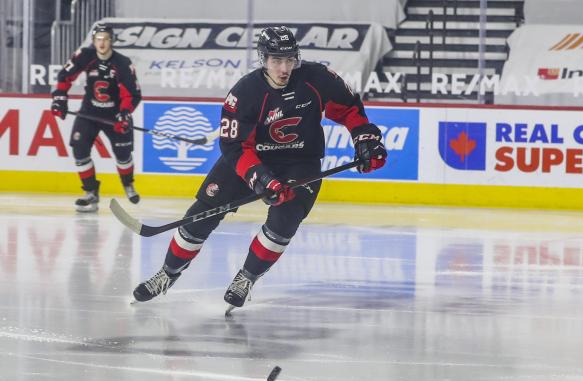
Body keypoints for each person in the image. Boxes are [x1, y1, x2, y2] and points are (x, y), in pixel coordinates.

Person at [132, 26, 387, 311]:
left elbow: (351, 108)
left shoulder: (317, 78)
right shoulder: (244, 93)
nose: (284, 68)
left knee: (285, 222)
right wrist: (260, 179)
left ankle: (246, 277)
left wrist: (365, 138)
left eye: (290, 59)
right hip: (251, 159)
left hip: (300, 163)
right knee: (200, 216)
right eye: (276, 60)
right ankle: (167, 274)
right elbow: (234, 147)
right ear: (263, 59)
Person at [51, 23, 142, 212]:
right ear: (93, 41)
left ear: (112, 41)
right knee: (79, 148)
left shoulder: (123, 63)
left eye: (106, 39)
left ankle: (127, 184)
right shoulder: (85, 55)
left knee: (123, 155)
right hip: (89, 112)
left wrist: (124, 113)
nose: (102, 43)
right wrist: (60, 99)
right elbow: (64, 76)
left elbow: (132, 94)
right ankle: (91, 193)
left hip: (115, 115)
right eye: (98, 39)